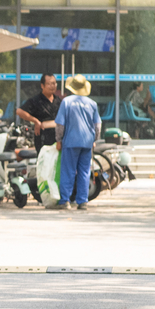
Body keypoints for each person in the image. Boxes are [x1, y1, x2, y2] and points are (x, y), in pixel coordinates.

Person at [49, 74, 101, 211]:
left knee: (68, 171)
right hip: (87, 142)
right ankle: (83, 201)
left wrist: (58, 140)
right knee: (84, 172)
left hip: (70, 141)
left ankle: (65, 200)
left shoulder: (66, 102)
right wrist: (94, 139)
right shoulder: (92, 103)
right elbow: (98, 125)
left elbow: (60, 124)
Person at [16, 74, 60, 152]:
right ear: (42, 85)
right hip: (43, 140)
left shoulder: (59, 101)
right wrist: (35, 121)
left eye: (54, 83)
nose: (52, 86)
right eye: (49, 84)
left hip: (58, 140)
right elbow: (19, 111)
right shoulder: (36, 100)